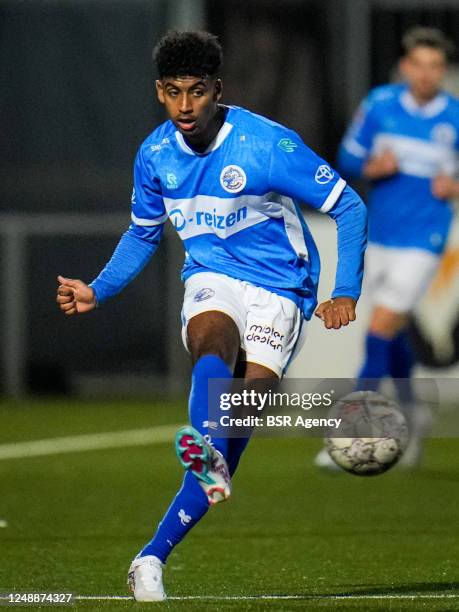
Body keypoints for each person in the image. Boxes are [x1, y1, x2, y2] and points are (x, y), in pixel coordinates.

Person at [56, 30, 367, 601]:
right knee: (210, 341)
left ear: (217, 89)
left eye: (196, 92)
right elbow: (142, 232)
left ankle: (150, 553)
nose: (184, 107)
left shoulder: (266, 145)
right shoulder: (154, 155)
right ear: (159, 92)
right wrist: (98, 289)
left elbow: (348, 204)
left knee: (239, 424)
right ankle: (205, 451)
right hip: (211, 275)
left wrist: (345, 289)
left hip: (281, 289)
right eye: (172, 93)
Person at [316, 27, 459, 470]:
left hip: (424, 240)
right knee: (390, 331)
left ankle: (353, 435)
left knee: (378, 329)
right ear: (404, 66)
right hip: (379, 236)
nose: (426, 73)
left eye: (435, 66)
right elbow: (347, 157)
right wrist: (372, 165)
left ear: (443, 70)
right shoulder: (379, 105)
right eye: (418, 64)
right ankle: (412, 414)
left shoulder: (454, 116)